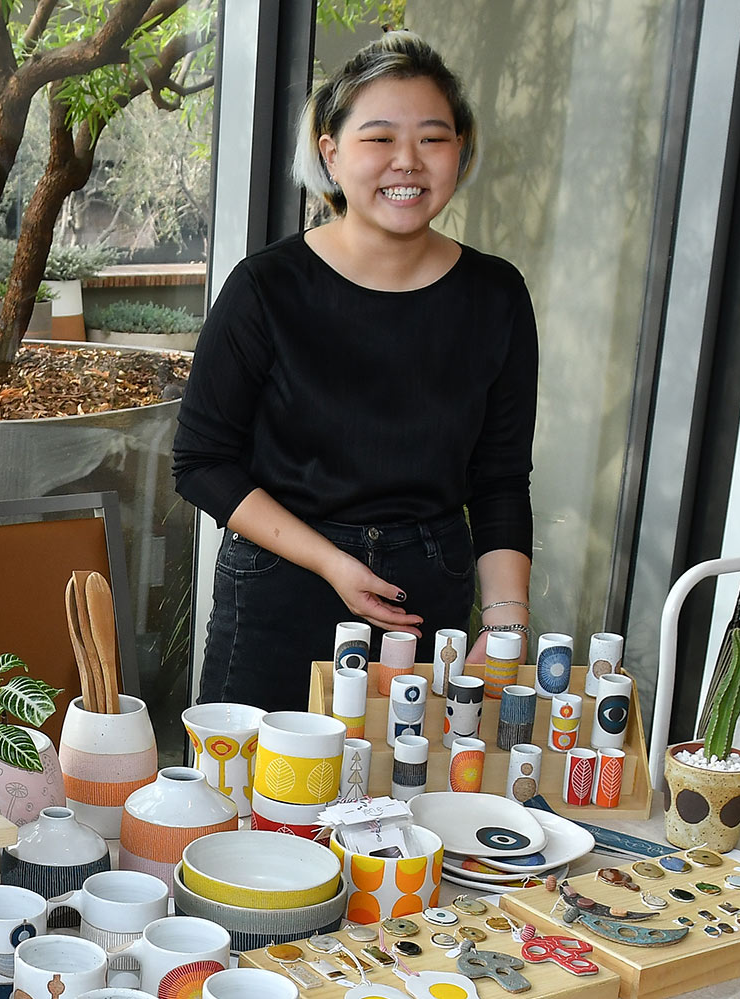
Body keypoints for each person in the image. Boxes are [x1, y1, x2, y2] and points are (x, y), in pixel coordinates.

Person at [173, 31, 537, 714]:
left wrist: (505, 621)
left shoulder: (495, 295)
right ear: (331, 153)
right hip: (283, 582)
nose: (407, 161)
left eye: (433, 138)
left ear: (460, 151)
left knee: (405, 800)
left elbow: (498, 479)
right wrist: (332, 563)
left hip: (427, 591)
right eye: (378, 139)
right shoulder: (265, 287)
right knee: (254, 800)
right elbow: (200, 463)